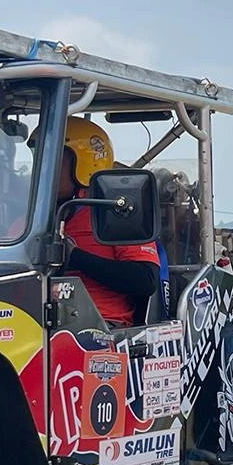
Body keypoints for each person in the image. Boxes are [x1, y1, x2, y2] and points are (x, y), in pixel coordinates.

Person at [57, 117, 161, 328]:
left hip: (100, 327)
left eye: (54, 160)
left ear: (83, 164)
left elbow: (145, 280)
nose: (42, 171)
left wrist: (76, 257)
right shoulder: (26, 220)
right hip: (31, 324)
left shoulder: (116, 211)